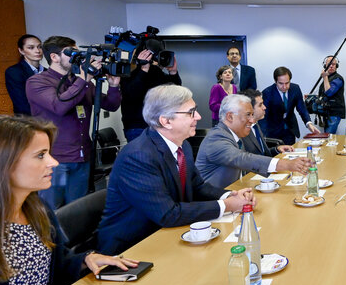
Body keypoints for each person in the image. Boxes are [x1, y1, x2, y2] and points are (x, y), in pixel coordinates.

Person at [0, 115, 137, 285]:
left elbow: (55, 267)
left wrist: (84, 260)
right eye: (40, 155)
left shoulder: (38, 210)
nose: (53, 162)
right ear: (1, 164)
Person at [96, 85, 255, 256]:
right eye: (191, 112)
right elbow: (167, 214)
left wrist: (229, 196)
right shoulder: (137, 156)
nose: (199, 117)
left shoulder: (182, 145)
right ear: (166, 121)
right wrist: (226, 206)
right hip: (131, 250)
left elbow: (198, 186)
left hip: (168, 236)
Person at [26, 36, 121, 210]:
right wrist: (84, 79)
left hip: (82, 156)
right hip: (55, 159)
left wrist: (114, 86)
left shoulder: (81, 82)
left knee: (77, 211)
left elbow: (110, 105)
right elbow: (59, 106)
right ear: (54, 57)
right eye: (71, 53)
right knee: (51, 212)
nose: (77, 57)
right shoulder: (37, 82)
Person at [196, 95, 313, 188]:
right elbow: (243, 159)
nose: (252, 120)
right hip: (215, 204)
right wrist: (287, 165)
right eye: (248, 115)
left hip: (235, 193)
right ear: (230, 117)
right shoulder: (216, 137)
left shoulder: (235, 134)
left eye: (252, 115)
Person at [120, 45, 181, 142]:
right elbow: (132, 94)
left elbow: (176, 95)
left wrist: (173, 72)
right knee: (139, 156)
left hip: (160, 126)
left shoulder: (160, 76)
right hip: (137, 127)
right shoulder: (129, 76)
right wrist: (143, 68)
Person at [260, 66, 320, 145]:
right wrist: (262, 137)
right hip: (273, 132)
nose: (284, 87)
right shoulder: (267, 92)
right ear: (275, 81)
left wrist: (308, 123)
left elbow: (301, 107)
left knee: (290, 154)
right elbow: (264, 115)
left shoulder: (295, 88)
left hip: (290, 131)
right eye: (281, 83)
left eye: (287, 83)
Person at [240, 89, 296, 156]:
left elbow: (263, 153)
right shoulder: (241, 132)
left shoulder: (256, 125)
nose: (264, 107)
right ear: (250, 108)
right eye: (260, 105)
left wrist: (277, 149)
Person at [5, 34, 45, 115]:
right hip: (28, 122)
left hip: (52, 121)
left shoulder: (47, 71)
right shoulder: (14, 71)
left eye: (40, 47)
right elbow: (21, 104)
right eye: (31, 47)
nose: (37, 51)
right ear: (21, 51)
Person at [317, 56, 346, 134]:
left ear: (337, 66)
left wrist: (325, 77)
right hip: (327, 113)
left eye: (333, 64)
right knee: (327, 137)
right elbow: (323, 95)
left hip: (334, 114)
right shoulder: (328, 78)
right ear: (325, 66)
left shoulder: (338, 79)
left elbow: (329, 92)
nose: (331, 66)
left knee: (328, 137)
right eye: (329, 64)